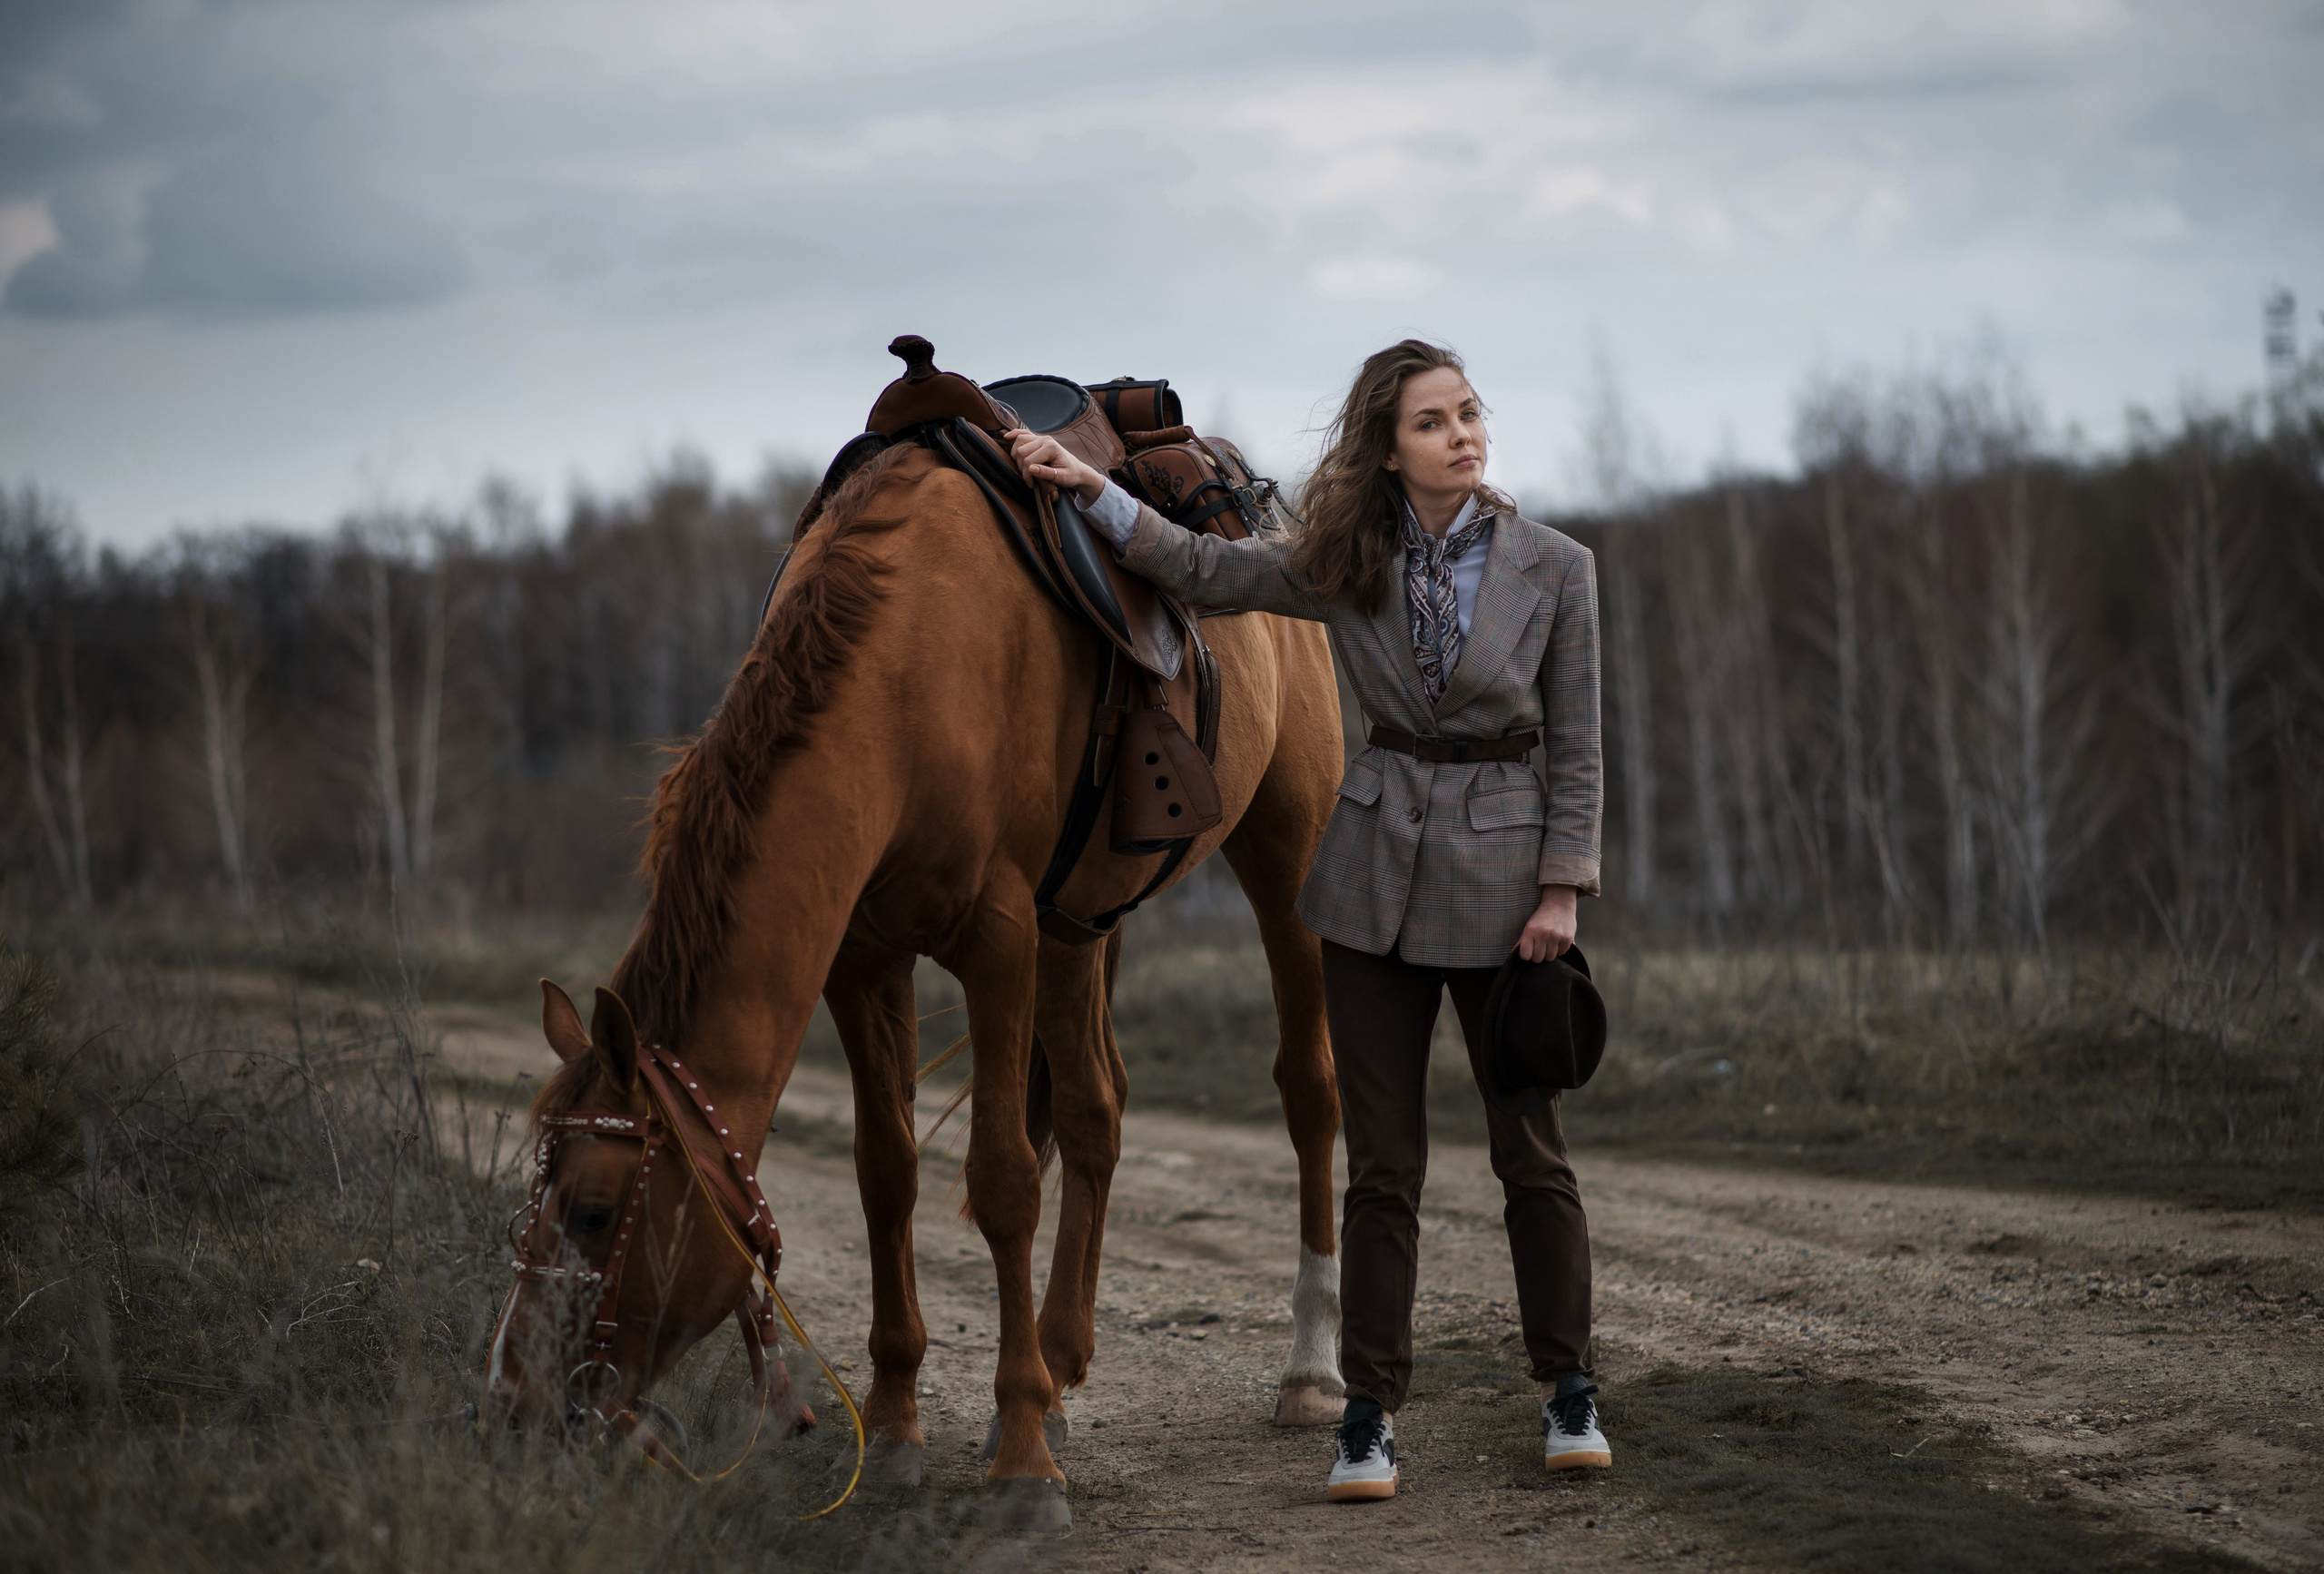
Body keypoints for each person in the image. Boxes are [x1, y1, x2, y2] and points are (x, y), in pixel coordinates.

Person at [1006, 339, 1608, 1503]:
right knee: (1383, 1169)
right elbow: (1202, 570)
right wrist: (1094, 492)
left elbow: (1576, 746)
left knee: (1530, 1157)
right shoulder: (1346, 561)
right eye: (1434, 422)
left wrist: (1561, 890)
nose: (1464, 435)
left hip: (1505, 885)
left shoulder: (1556, 566)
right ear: (1389, 447)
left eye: (1471, 414)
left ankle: (1568, 1391)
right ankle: (1368, 1415)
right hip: (1371, 878)